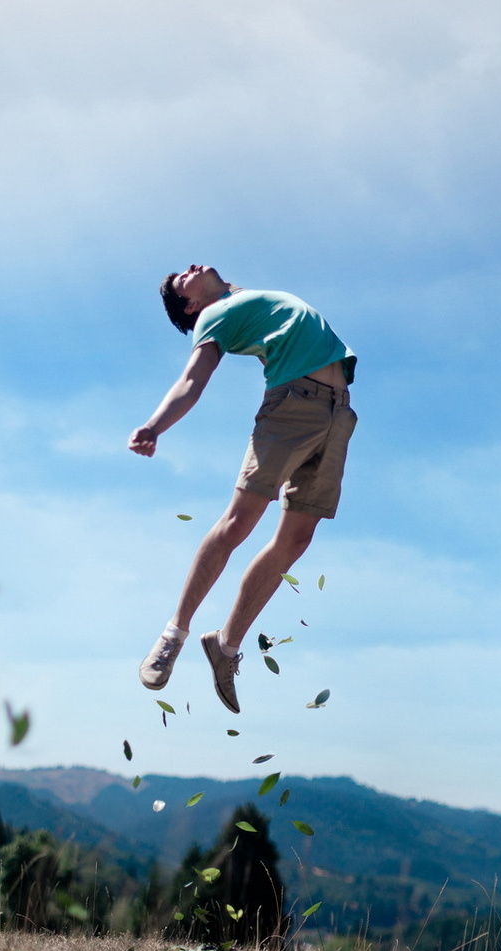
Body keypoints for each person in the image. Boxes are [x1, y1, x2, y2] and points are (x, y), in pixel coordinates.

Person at [128, 264, 358, 713]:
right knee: (239, 523)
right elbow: (192, 380)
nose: (190, 268)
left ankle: (226, 647)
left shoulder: (245, 298)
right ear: (191, 306)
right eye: (181, 281)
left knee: (297, 539)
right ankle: (173, 635)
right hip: (292, 406)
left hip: (337, 414)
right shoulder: (213, 317)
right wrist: (155, 426)